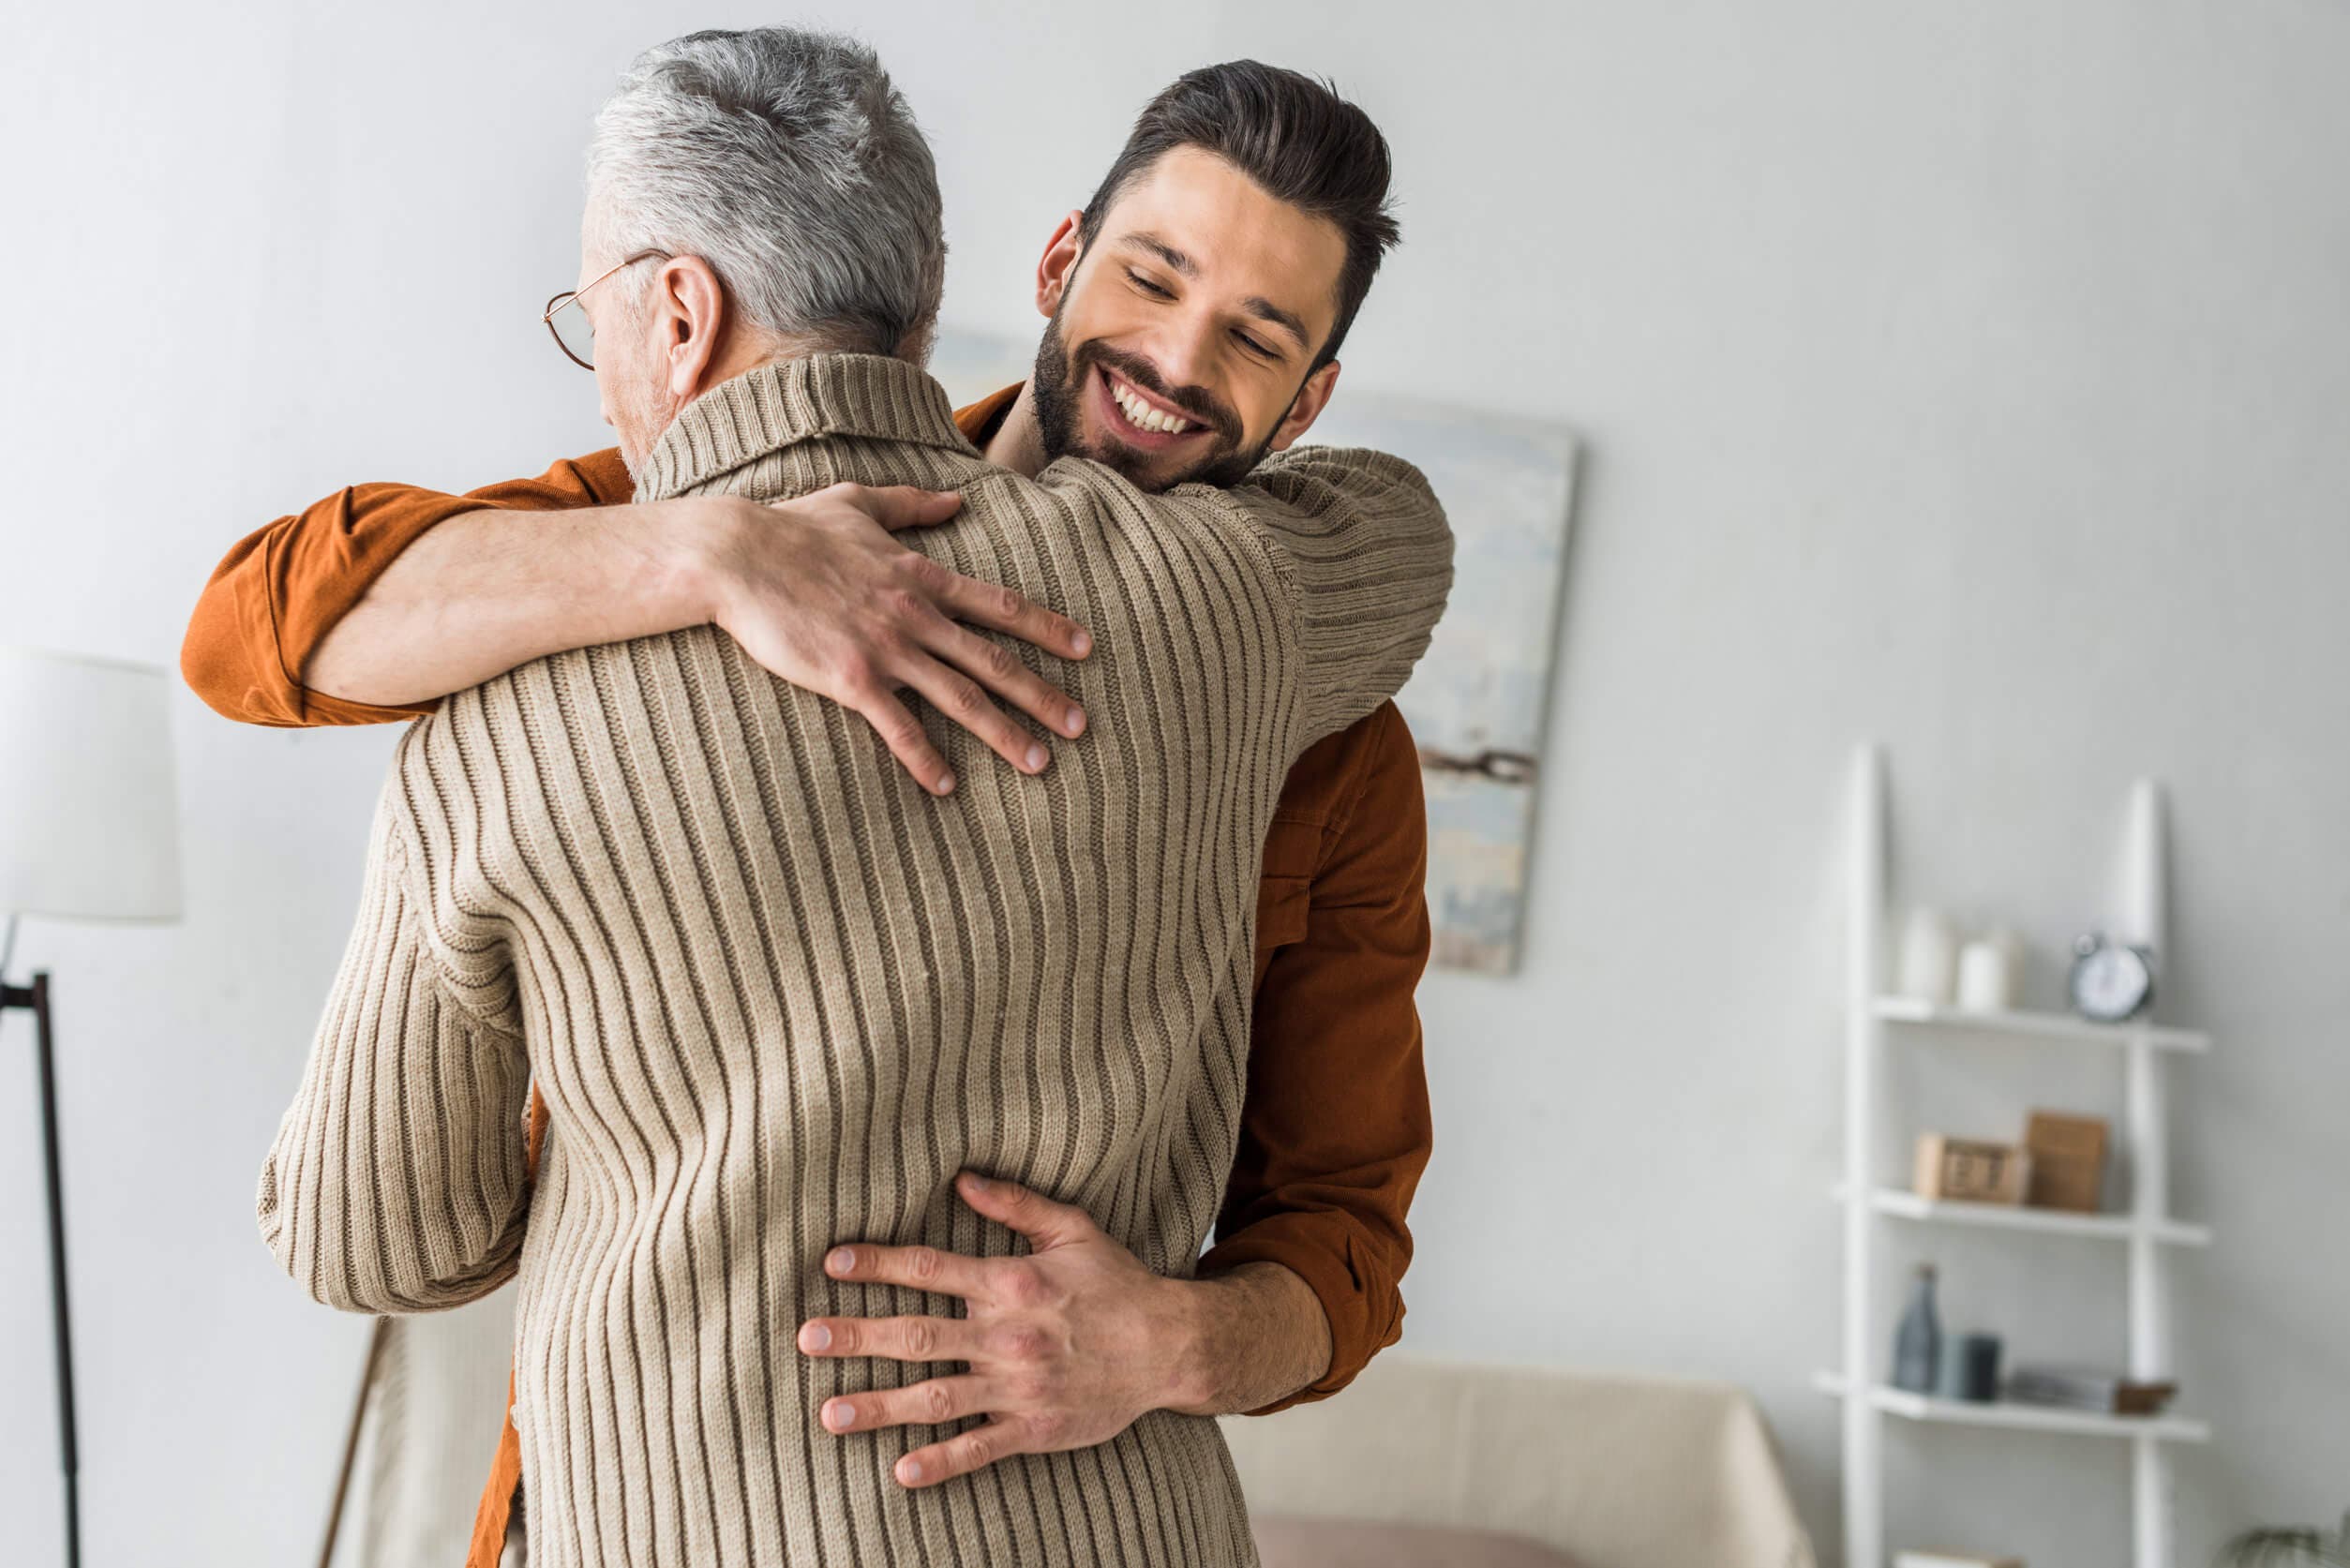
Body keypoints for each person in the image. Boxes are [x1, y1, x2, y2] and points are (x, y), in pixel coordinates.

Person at [186, 46, 1444, 1558]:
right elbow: (250, 622)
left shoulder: (1313, 704)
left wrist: (1169, 1344)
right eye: (1153, 278)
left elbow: (1345, 1230)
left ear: (1308, 402)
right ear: (1058, 261)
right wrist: (710, 555)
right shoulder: (635, 540)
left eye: (1252, 336)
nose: (1174, 363)